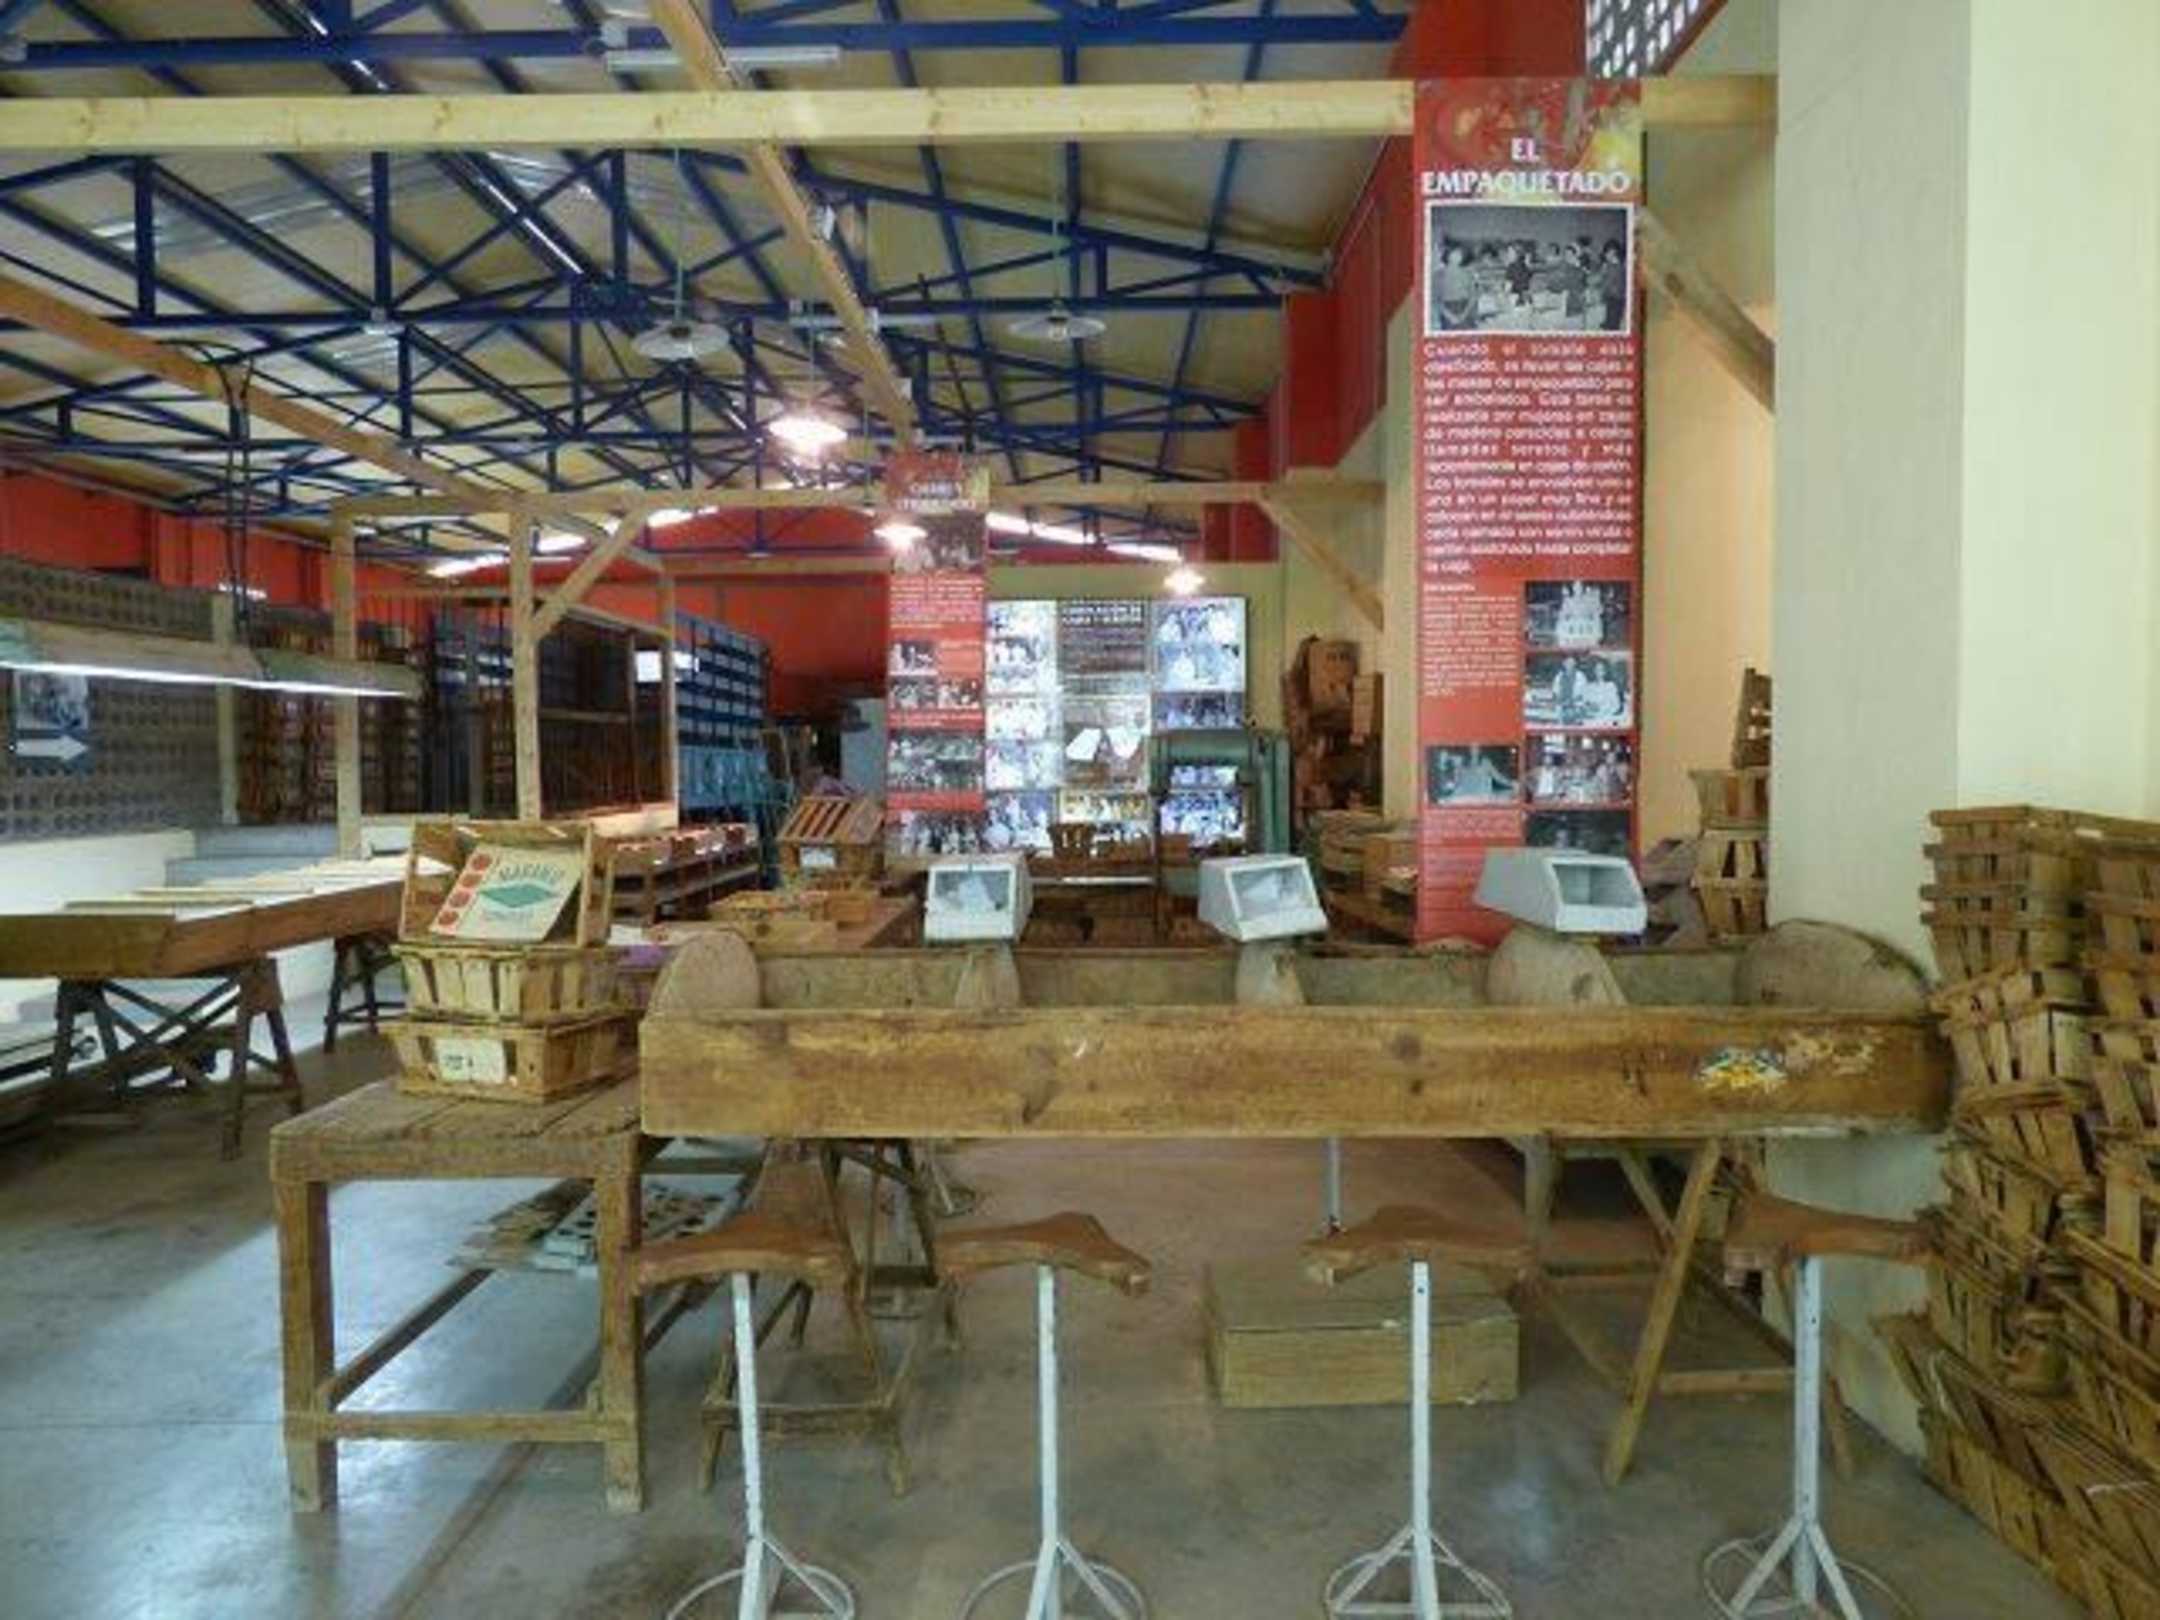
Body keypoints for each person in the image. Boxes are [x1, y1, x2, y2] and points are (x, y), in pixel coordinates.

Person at [1435, 242, 1477, 330]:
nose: (1458, 257)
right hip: (1447, 312)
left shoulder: (1468, 274)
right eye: (1455, 254)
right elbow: (1436, 300)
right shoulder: (1439, 275)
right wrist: (1450, 316)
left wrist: (1464, 315)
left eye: (1460, 254)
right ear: (1448, 255)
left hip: (1465, 310)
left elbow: (1473, 296)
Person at [1599, 240, 1628, 332]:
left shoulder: (1616, 267)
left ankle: (1610, 326)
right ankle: (1608, 324)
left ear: (1613, 252)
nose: (1605, 255)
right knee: (1609, 314)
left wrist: (1603, 273)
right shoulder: (1612, 265)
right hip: (1612, 297)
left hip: (1616, 298)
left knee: (1613, 324)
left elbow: (1607, 283)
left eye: (1606, 253)